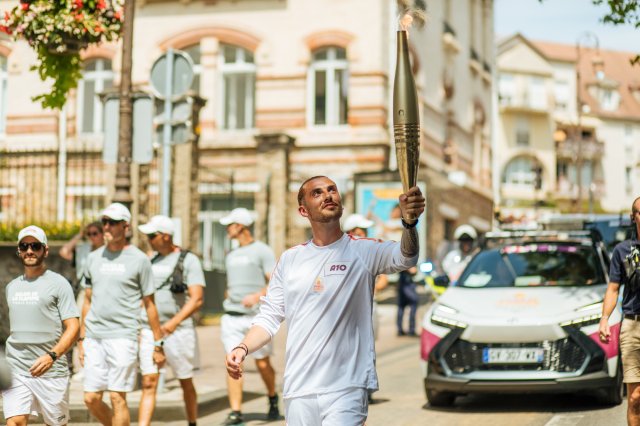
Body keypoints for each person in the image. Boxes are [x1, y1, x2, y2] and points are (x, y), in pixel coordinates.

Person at [226, 176, 425, 425]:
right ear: (303, 210)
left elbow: (407, 256)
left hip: (347, 386)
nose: (328, 195)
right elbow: (269, 316)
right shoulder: (290, 260)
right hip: (299, 388)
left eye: (332, 190)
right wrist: (242, 348)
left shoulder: (363, 250)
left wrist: (409, 223)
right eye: (317, 193)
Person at [78, 203, 166, 426]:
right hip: (94, 337)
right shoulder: (94, 258)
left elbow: (150, 305)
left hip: (123, 336)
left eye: (112, 223)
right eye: (104, 222)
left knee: (117, 397)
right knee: (91, 398)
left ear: (126, 227)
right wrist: (81, 339)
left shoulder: (139, 260)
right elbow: (87, 300)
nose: (106, 227)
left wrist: (158, 344)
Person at [2, 225, 80, 426]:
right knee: (15, 421)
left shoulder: (59, 283)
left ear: (45, 250)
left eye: (35, 246)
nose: (29, 250)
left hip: (51, 371)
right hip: (17, 368)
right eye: (25, 246)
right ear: (19, 250)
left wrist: (51, 356)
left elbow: (73, 327)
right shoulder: (12, 287)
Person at [136, 215, 206, 426]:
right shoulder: (150, 260)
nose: (148, 239)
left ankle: (192, 421)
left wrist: (174, 322)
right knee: (149, 381)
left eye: (152, 235)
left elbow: (197, 299)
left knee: (185, 380)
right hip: (151, 329)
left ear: (166, 236)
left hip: (178, 330)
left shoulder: (188, 260)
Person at [218, 207, 279, 425]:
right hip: (231, 316)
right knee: (232, 360)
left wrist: (257, 295)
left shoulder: (262, 250)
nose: (226, 229)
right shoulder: (231, 254)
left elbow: (274, 282)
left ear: (240, 226)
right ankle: (236, 411)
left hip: (255, 318)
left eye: (229, 225)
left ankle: (272, 397)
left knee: (262, 363)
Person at [600, 196, 640, 426]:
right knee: (635, 398)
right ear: (633, 217)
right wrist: (605, 319)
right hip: (633, 326)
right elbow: (613, 289)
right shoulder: (622, 251)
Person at [396, 267, 419, 336]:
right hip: (406, 284)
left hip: (405, 283)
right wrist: (409, 268)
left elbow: (414, 272)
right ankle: (411, 330)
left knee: (401, 307)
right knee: (413, 303)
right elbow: (413, 271)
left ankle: (401, 330)